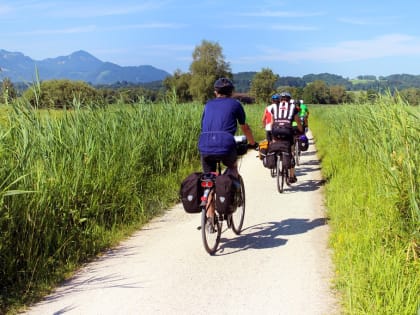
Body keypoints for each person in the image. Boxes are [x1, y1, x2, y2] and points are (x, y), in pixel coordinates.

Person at [198, 77, 257, 220]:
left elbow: (203, 126)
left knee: (209, 178)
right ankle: (229, 198)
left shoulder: (208, 105)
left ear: (215, 92)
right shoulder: (235, 104)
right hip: (225, 144)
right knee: (233, 166)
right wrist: (252, 143)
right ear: (231, 92)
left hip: (205, 144)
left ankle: (210, 217)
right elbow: (245, 127)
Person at [268, 91, 303, 183]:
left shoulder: (275, 107)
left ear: (280, 99)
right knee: (290, 151)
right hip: (287, 130)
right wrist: (301, 130)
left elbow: (272, 122)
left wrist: (272, 134)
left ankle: (275, 160)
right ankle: (291, 176)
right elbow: (298, 121)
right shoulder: (293, 107)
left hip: (275, 130)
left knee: (275, 144)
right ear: (289, 99)